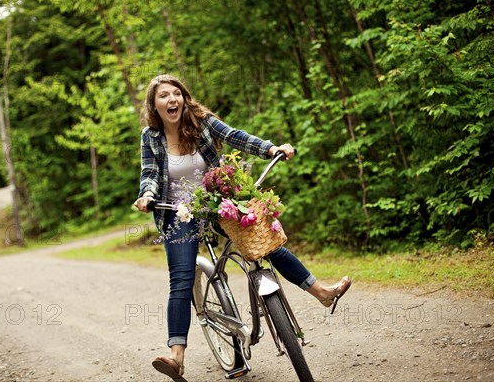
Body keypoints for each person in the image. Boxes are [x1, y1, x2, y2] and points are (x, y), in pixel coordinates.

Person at [134, 74, 352, 381]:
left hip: (217, 200)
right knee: (181, 280)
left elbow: (237, 137)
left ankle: (322, 292)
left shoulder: (202, 122)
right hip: (177, 212)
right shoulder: (151, 137)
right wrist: (147, 195)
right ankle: (176, 357)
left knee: (266, 244)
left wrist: (270, 149)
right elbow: (150, 173)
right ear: (154, 106)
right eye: (163, 96)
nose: (172, 100)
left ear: (183, 97)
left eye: (176, 94)